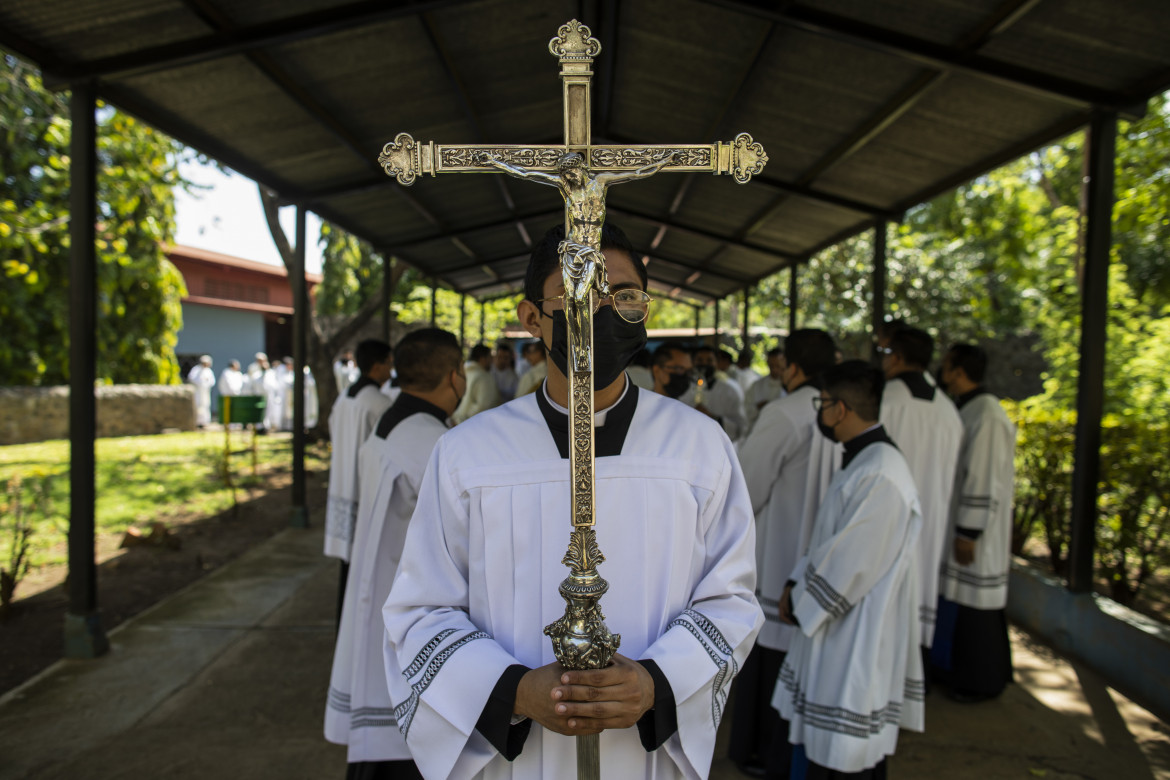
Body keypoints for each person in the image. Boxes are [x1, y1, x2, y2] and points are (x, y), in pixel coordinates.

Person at [383, 223, 762, 780]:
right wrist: (515, 691)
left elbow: (729, 599)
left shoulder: (699, 446)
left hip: (644, 750)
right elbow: (421, 609)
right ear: (531, 317)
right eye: (580, 293)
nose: (603, 309)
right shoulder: (469, 454)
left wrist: (655, 682)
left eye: (624, 295)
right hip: (520, 753)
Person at [771, 360, 925, 779]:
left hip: (854, 634)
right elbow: (832, 540)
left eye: (822, 403)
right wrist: (794, 581)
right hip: (840, 625)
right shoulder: (867, 460)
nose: (820, 412)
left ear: (839, 409)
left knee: (842, 755)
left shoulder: (881, 474)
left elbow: (851, 566)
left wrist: (801, 596)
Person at [325, 328, 466, 780]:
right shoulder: (430, 442)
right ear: (455, 376)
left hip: (383, 585)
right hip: (409, 603)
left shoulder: (395, 422)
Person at [729, 329, 839, 776]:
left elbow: (747, 488)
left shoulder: (785, 412)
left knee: (771, 655)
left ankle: (760, 750)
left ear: (790, 367)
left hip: (780, 555)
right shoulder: (842, 410)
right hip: (822, 555)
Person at [932, 344, 1015, 702]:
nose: (942, 370)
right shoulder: (967, 407)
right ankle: (958, 673)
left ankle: (980, 681)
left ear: (959, 370)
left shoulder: (988, 414)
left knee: (977, 611)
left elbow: (983, 476)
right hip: (963, 525)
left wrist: (969, 530)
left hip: (978, 533)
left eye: (947, 365)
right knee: (964, 606)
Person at [878, 325, 962, 672]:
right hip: (932, 522)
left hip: (887, 521)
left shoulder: (884, 400)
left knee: (883, 611)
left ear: (896, 357)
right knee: (918, 599)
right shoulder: (948, 410)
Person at [325, 339, 394, 616]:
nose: (391, 370)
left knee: (349, 563)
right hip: (363, 484)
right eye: (389, 364)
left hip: (342, 477)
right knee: (364, 562)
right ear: (376, 367)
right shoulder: (379, 403)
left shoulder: (345, 397)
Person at [685, 345, 747, 441]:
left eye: (709, 361)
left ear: (716, 363)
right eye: (700, 360)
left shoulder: (729, 391)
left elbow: (740, 428)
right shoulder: (684, 389)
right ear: (693, 363)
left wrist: (713, 418)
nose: (704, 364)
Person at [451, 343, 501, 424]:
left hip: (457, 420)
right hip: (470, 424)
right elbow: (484, 406)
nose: (492, 361)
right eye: (490, 358)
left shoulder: (463, 372)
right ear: (482, 359)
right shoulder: (484, 377)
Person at [744, 347, 787, 435]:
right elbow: (746, 410)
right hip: (758, 430)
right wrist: (757, 407)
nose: (774, 370)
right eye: (771, 366)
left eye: (777, 366)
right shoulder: (757, 386)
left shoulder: (788, 386)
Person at [187, 355, 216, 427]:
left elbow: (212, 381)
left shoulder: (209, 371)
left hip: (205, 392)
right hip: (198, 392)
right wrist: (200, 382)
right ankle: (197, 422)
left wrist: (206, 383)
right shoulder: (196, 369)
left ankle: (205, 422)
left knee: (206, 405)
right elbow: (191, 378)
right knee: (197, 406)